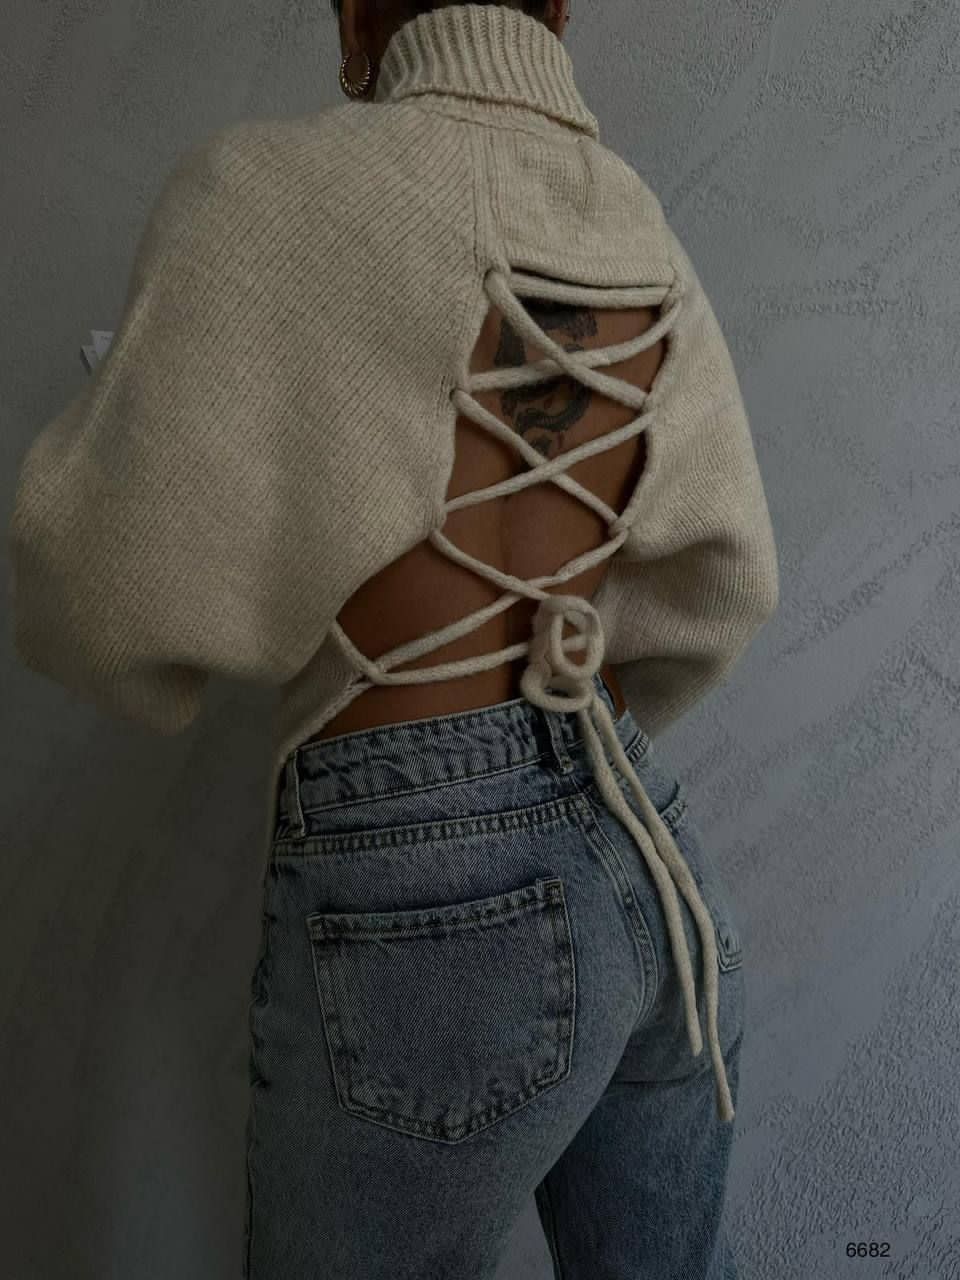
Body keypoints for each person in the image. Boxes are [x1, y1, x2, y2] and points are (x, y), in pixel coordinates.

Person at [8, 2, 780, 1276]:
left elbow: (91, 582)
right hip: (647, 853)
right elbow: (730, 580)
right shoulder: (628, 215)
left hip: (426, 912)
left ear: (355, 10)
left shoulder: (267, 189)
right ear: (559, 8)